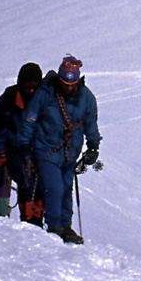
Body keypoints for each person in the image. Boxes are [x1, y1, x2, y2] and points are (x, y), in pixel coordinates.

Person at [19, 54, 101, 243]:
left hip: (70, 153)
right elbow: (30, 120)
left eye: (72, 84)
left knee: (66, 188)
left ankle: (65, 225)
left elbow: (91, 123)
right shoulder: (45, 94)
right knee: (55, 188)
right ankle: (55, 225)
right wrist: (24, 146)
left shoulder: (86, 98)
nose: (68, 88)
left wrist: (93, 146)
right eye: (65, 83)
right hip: (47, 150)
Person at [0, 62, 45, 225]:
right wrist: (1, 153)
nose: (31, 91)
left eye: (34, 87)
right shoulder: (9, 99)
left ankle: (38, 217)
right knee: (26, 182)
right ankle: (28, 219)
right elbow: (0, 129)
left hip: (37, 148)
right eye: (27, 87)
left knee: (41, 185)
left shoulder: (43, 98)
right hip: (14, 148)